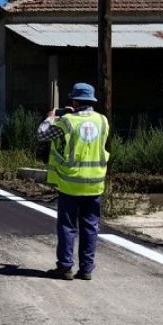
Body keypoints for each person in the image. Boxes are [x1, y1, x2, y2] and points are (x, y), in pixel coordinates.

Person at [36, 83, 110, 281]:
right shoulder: (102, 120)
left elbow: (42, 134)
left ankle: (65, 267)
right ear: (92, 101)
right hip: (95, 182)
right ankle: (86, 269)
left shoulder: (67, 122)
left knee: (68, 226)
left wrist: (51, 117)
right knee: (90, 226)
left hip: (71, 183)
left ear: (75, 101)